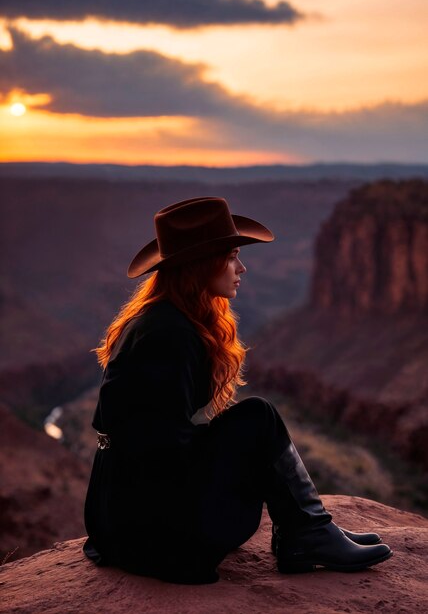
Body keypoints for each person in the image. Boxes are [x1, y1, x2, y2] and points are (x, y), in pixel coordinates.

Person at [83, 196, 393, 584]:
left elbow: (160, 439)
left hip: (125, 515)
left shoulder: (169, 320)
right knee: (256, 417)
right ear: (200, 265)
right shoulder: (167, 333)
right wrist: (239, 458)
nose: (241, 267)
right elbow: (158, 450)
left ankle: (307, 529)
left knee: (249, 422)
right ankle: (307, 533)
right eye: (231, 256)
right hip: (146, 531)